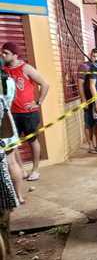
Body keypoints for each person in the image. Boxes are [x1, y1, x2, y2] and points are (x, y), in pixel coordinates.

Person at [1, 42, 49, 181]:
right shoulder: (3, 70)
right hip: (10, 114)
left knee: (32, 140)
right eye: (2, 53)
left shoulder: (26, 68)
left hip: (28, 113)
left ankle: (35, 169)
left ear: (15, 55)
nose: (3, 56)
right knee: (12, 143)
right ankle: (21, 169)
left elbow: (45, 84)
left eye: (6, 53)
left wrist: (38, 102)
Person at [0, 65, 24, 204]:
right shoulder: (9, 80)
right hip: (8, 124)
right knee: (12, 162)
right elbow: (12, 99)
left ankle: (7, 199)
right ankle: (18, 196)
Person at [78, 50, 97, 154]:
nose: (95, 58)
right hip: (88, 99)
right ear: (90, 55)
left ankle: (96, 144)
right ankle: (90, 145)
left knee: (96, 123)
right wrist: (84, 100)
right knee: (88, 123)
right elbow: (80, 85)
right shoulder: (84, 67)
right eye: (93, 56)